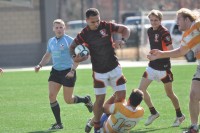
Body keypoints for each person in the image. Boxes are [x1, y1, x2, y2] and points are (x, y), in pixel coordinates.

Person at [69, 8, 130, 133]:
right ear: (86, 21)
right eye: (93, 22)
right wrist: (76, 58)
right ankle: (97, 126)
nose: (96, 24)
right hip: (99, 72)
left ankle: (96, 121)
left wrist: (123, 41)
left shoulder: (107, 26)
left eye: (97, 20)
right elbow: (72, 46)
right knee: (99, 100)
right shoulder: (84, 34)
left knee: (121, 98)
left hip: (114, 68)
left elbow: (125, 29)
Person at [147, 8, 200, 133]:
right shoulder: (186, 36)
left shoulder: (197, 25)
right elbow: (179, 52)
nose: (177, 23)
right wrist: (160, 54)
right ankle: (194, 127)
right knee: (193, 95)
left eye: (179, 19)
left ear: (187, 19)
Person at [34, 19, 93, 130]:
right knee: (51, 96)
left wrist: (72, 71)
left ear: (64, 28)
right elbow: (47, 55)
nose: (59, 29)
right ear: (53, 29)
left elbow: (77, 58)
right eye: (56, 27)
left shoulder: (70, 41)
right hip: (55, 72)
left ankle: (86, 99)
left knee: (68, 100)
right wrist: (40, 65)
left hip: (68, 72)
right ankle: (59, 123)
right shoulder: (51, 41)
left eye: (61, 27)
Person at [138, 9, 185, 127]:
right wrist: (151, 56)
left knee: (169, 94)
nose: (153, 22)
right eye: (152, 20)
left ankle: (180, 115)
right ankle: (153, 113)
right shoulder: (149, 31)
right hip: (152, 67)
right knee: (140, 91)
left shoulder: (164, 32)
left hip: (164, 68)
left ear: (160, 20)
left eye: (156, 20)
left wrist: (158, 55)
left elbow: (170, 50)